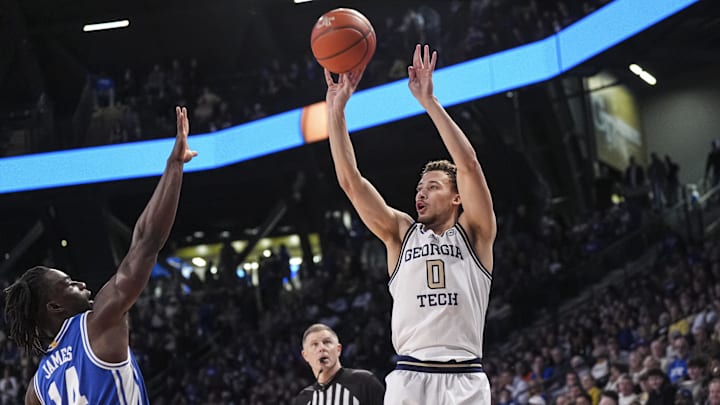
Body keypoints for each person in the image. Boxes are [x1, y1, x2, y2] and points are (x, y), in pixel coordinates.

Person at [325, 43, 495, 404]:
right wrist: (336, 112)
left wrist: (429, 102)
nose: (421, 193)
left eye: (432, 187)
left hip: (466, 377)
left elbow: (469, 166)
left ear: (456, 197)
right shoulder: (401, 234)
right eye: (419, 187)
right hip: (410, 377)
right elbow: (350, 182)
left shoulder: (475, 233)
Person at [3, 106, 197, 405]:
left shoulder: (37, 388)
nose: (80, 283)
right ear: (55, 306)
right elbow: (146, 242)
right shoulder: (98, 322)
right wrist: (174, 165)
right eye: (68, 284)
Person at [294, 323, 385, 405]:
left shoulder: (364, 382)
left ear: (338, 349)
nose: (322, 348)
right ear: (305, 356)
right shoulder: (304, 399)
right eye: (314, 344)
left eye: (327, 342)